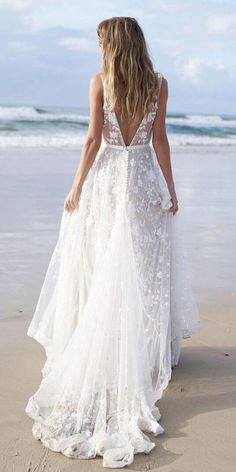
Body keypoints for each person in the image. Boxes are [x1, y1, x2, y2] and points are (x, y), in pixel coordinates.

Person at [25, 16, 201, 469]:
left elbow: (91, 141)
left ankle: (107, 344)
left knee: (104, 264)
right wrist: (170, 187)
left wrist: (76, 188)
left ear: (112, 44)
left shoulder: (100, 82)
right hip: (142, 179)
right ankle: (141, 353)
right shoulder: (158, 84)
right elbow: (160, 139)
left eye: (101, 40)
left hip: (107, 180)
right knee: (139, 267)